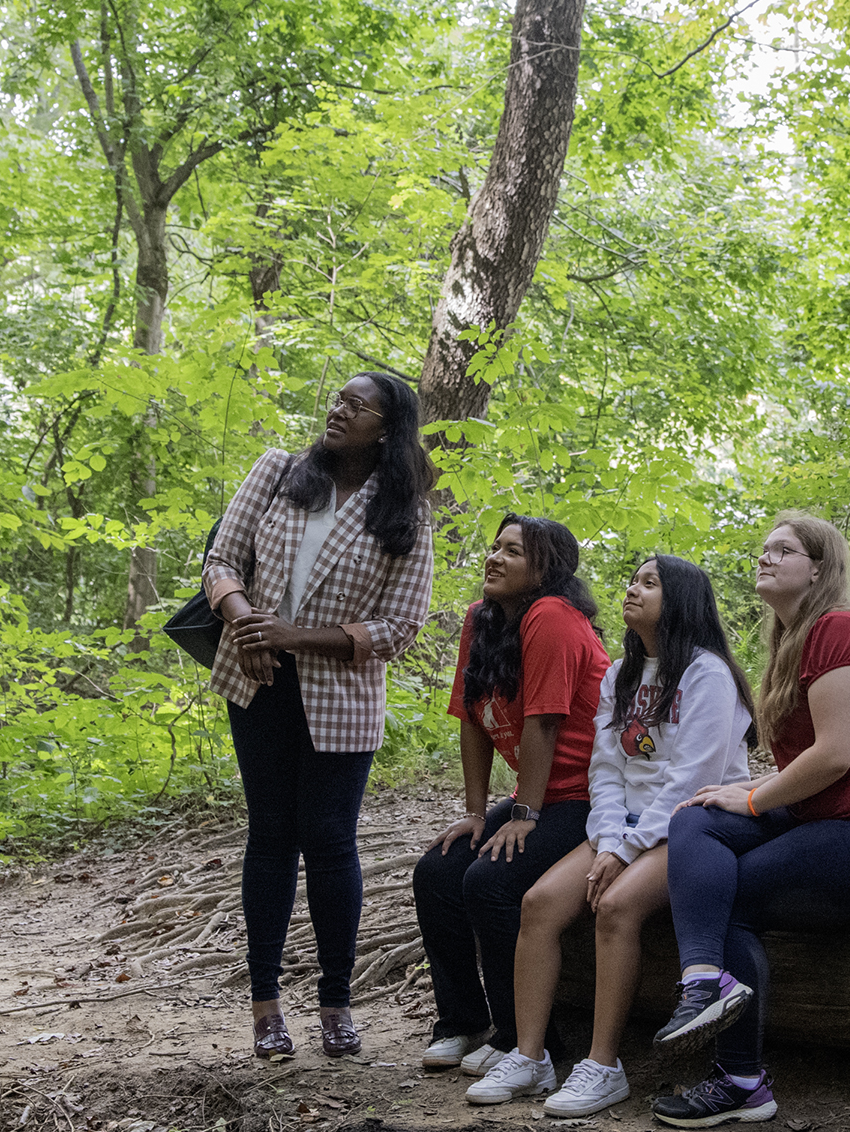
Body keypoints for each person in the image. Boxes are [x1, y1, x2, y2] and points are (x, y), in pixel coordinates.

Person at [650, 514, 850, 1128]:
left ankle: (740, 1082)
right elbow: (812, 766)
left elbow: (836, 754)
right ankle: (703, 979)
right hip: (832, 813)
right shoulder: (790, 644)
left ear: (819, 568)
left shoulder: (840, 627)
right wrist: (745, 792)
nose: (765, 557)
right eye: (763, 549)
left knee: (734, 892)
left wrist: (754, 800)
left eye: (783, 550)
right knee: (696, 817)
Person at [465, 555, 756, 1115]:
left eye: (650, 583)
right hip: (622, 828)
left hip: (689, 825)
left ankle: (603, 1066)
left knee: (616, 906)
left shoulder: (708, 675)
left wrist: (623, 851)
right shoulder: (620, 673)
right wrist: (607, 838)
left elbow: (690, 779)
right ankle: (530, 1056)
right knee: (539, 903)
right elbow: (605, 770)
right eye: (633, 580)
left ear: (681, 600)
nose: (632, 590)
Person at [202, 372, 434, 1060]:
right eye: (338, 399)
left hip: (342, 695)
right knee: (271, 834)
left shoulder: (405, 511)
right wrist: (246, 625)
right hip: (259, 680)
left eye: (357, 406)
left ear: (387, 430)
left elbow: (400, 625)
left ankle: (336, 1004)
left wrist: (296, 636)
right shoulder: (279, 471)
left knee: (331, 840)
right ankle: (266, 1008)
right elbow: (221, 560)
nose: (339, 410)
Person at [413, 514, 610, 1077]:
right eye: (495, 546)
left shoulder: (552, 616)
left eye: (513, 551)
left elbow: (544, 721)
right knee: (438, 870)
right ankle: (461, 1021)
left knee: (492, 881)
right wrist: (476, 814)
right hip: (540, 795)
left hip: (588, 797)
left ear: (544, 570)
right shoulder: (482, 618)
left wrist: (524, 814)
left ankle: (525, 1039)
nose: (494, 557)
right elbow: (472, 720)